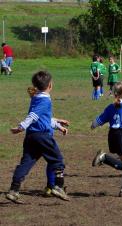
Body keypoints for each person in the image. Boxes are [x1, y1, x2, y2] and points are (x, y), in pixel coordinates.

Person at [6, 71, 70, 204]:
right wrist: (21, 127)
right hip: (43, 136)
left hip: (31, 137)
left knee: (26, 163)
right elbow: (34, 116)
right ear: (50, 85)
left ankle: (14, 190)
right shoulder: (45, 100)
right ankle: (57, 186)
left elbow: (42, 118)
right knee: (57, 160)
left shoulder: (36, 98)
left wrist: (58, 125)